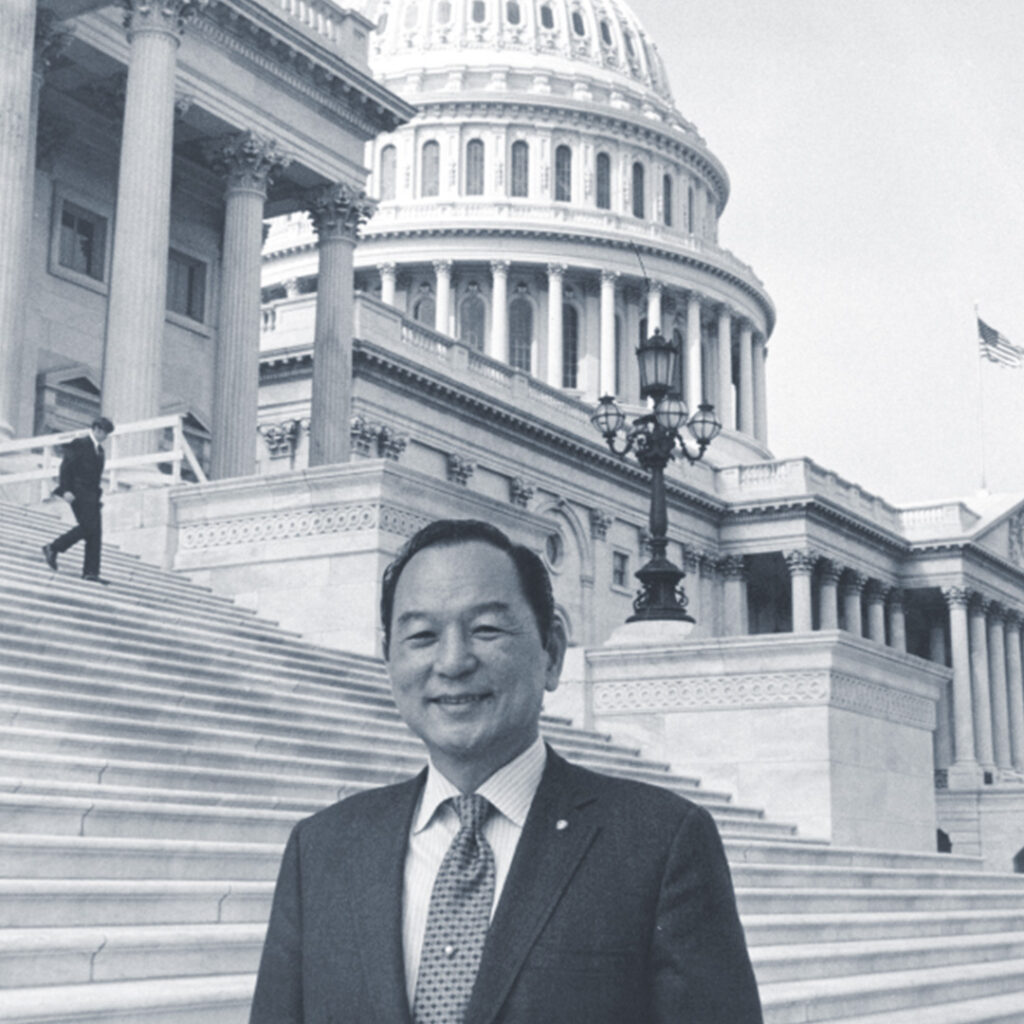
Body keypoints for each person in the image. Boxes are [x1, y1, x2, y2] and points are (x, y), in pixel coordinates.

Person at [250, 518, 763, 1024]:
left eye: (486, 629)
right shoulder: (321, 850)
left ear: (553, 652)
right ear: (389, 661)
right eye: (422, 635)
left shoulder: (660, 843)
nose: (452, 662)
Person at [42, 416, 114, 584]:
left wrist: (97, 498)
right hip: (77, 492)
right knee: (88, 527)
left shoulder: (100, 452)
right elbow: (65, 467)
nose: (106, 437)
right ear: (96, 429)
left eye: (107, 434)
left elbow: (95, 478)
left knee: (95, 532)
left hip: (92, 496)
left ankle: (91, 572)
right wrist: (66, 489)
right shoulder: (80, 444)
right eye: (104, 432)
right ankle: (53, 547)